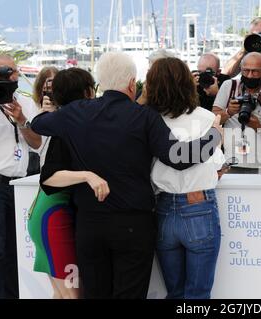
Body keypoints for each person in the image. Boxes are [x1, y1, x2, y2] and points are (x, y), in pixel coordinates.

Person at [30, 52, 222, 299]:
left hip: (89, 223)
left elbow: (38, 124)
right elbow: (178, 158)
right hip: (133, 224)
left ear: (100, 84)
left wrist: (58, 113)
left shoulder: (77, 112)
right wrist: (214, 136)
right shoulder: (144, 117)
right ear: (132, 84)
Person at [148, 57, 225, 299]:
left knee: (175, 292)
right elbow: (219, 166)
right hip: (198, 205)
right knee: (198, 295)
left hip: (161, 207)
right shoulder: (205, 118)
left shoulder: (147, 118)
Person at [28, 68, 106, 299]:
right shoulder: (66, 127)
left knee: (62, 294)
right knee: (73, 295)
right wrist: (87, 175)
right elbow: (49, 177)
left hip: (48, 213)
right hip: (54, 216)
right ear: (88, 92)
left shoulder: (61, 122)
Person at [0, 54, 42, 299]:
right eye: (3, 72)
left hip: (22, 186)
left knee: (21, 250)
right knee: (0, 250)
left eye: (12, 71)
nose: (10, 76)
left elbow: (37, 144)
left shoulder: (26, 102)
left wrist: (23, 120)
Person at [213, 52, 261, 174]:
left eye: (255, 71)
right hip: (231, 161)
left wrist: (258, 127)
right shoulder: (229, 87)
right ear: (240, 69)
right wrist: (228, 112)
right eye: (246, 70)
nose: (250, 75)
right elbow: (213, 120)